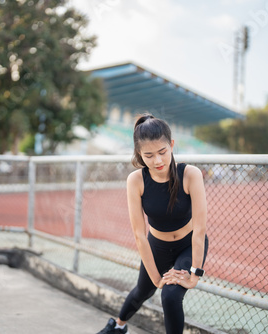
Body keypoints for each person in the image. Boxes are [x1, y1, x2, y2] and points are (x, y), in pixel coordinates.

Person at [97, 114, 209, 334]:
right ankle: (118, 326)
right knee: (143, 290)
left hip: (188, 245)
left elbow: (200, 229)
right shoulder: (136, 180)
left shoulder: (190, 175)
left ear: (172, 145)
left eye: (162, 152)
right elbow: (139, 234)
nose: (157, 161)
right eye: (148, 155)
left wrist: (195, 274)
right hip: (156, 246)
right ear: (139, 153)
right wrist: (157, 278)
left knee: (170, 295)